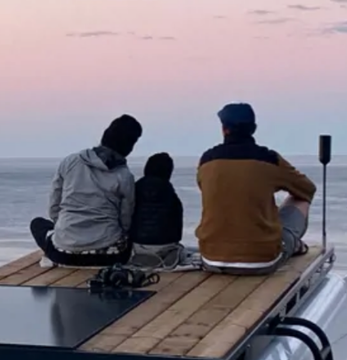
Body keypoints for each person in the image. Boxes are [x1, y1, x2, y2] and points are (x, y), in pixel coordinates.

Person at [196, 103, 316, 274]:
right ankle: (294, 245)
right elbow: (307, 189)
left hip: (210, 258)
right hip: (261, 261)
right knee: (300, 199)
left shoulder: (206, 161)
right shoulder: (269, 159)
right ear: (254, 129)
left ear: (224, 129)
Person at [30, 114, 140, 267]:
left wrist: (66, 229)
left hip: (63, 253)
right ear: (129, 146)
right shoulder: (124, 176)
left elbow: (54, 206)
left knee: (38, 224)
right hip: (110, 255)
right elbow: (126, 220)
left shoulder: (70, 161)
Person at [129, 152, 184, 268]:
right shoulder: (169, 191)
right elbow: (177, 218)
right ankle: (168, 256)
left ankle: (145, 257)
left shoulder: (135, 188)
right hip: (166, 243)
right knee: (182, 251)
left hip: (138, 244)